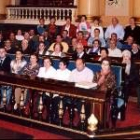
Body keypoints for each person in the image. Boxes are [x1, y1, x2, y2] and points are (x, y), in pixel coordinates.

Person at [65, 58, 94, 127]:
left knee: (81, 102)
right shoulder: (73, 71)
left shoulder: (89, 72)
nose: (77, 66)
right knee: (63, 98)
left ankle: (82, 121)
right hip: (74, 92)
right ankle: (69, 118)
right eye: (76, 64)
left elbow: (89, 86)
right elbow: (70, 83)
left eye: (79, 64)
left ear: (84, 64)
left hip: (84, 93)